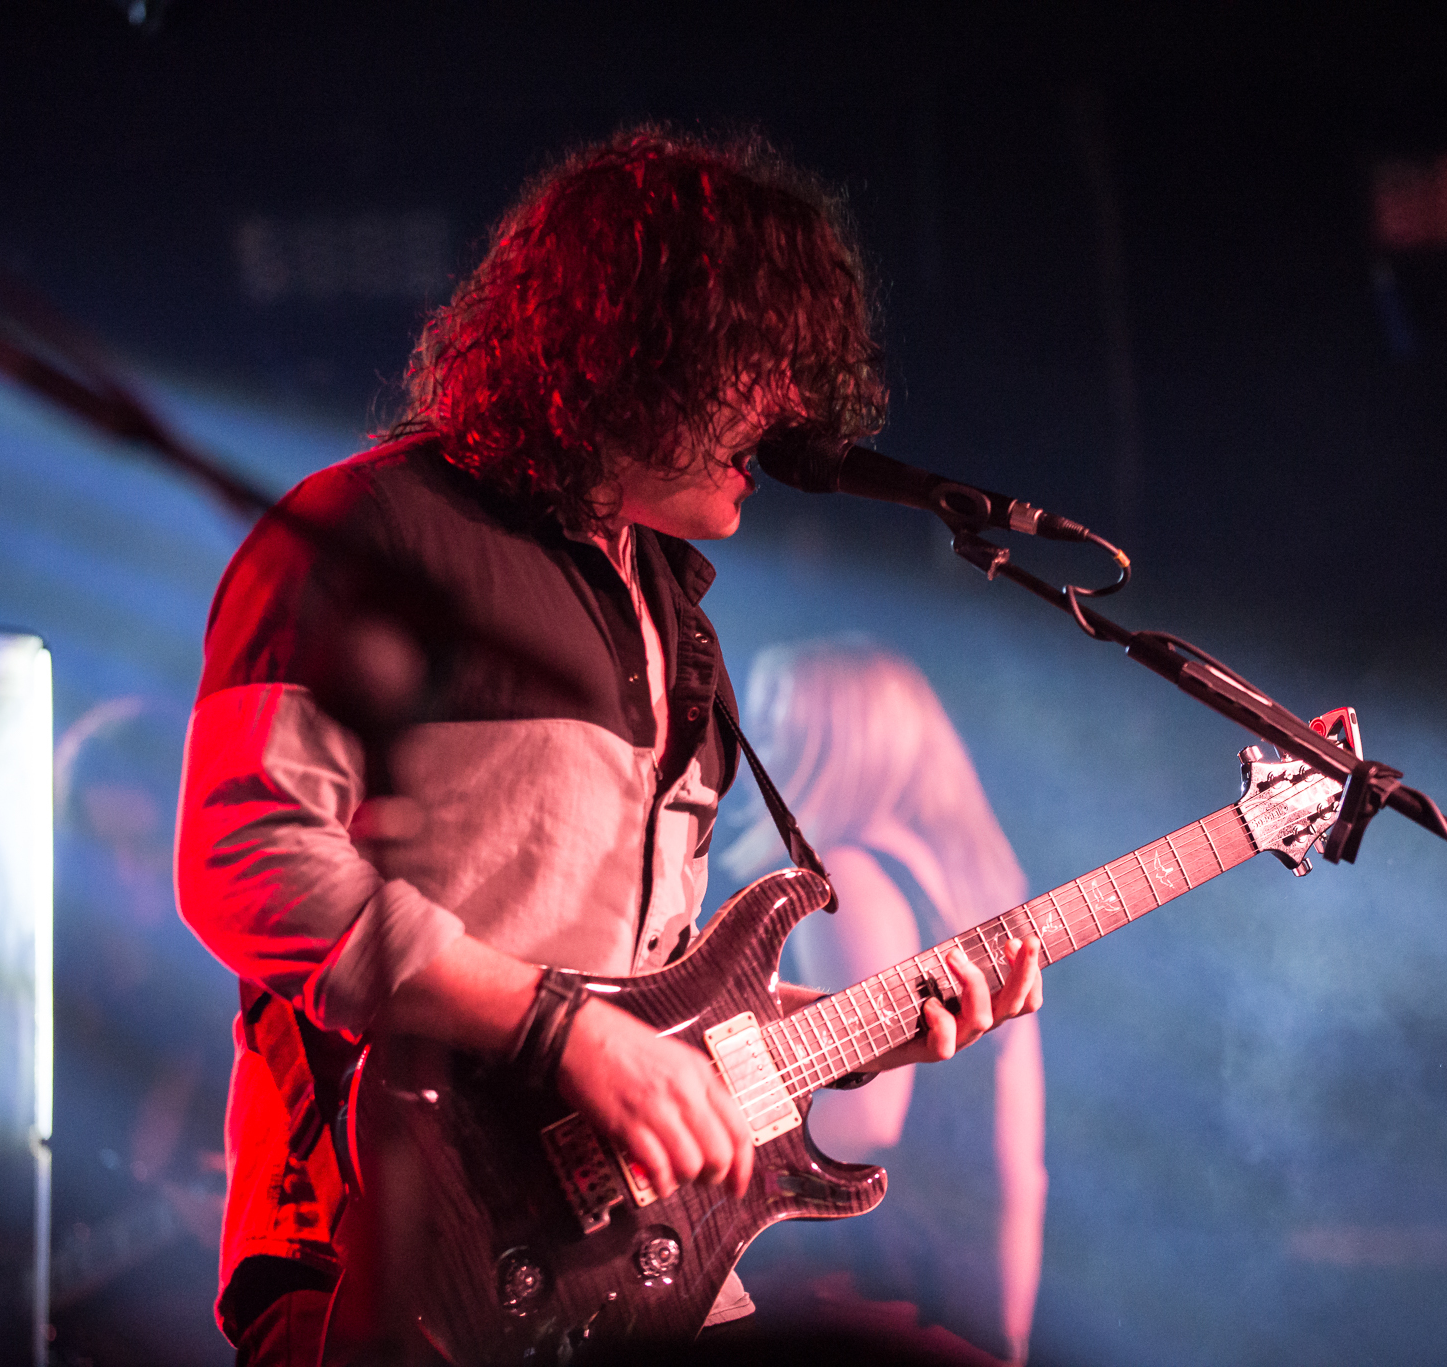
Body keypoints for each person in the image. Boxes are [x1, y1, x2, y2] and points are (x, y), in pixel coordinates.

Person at [172, 128, 1044, 1366]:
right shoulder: (373, 529)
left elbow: (649, 994)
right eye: (758, 361)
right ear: (637, 345)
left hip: (633, 1280)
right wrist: (563, 1033)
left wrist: (856, 1029)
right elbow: (242, 856)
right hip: (397, 1259)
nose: (790, 409)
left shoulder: (678, 623)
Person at [720, 640, 1046, 1366]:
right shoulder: (974, 885)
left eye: (775, 718)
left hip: (850, 1279)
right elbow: (1020, 1159)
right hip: (947, 1288)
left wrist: (712, 1139)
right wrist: (1009, 1335)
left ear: (838, 739)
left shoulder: (851, 878)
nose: (752, 742)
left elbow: (867, 1118)